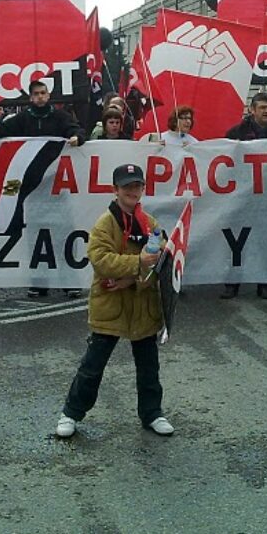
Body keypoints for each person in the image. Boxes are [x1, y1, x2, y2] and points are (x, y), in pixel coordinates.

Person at [55, 163, 173, 439]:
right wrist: (139, 262)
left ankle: (152, 413)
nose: (133, 191)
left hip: (143, 307)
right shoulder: (104, 223)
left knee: (148, 368)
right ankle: (70, 413)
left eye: (137, 186)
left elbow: (163, 259)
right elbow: (101, 261)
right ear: (115, 190)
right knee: (92, 367)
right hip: (110, 306)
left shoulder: (150, 222)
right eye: (127, 186)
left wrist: (134, 276)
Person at [0, 80, 85, 297]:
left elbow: (76, 129)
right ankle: (39, 282)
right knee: (36, 237)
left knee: (63, 235)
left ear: (48, 95)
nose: (39, 97)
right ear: (30, 97)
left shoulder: (60, 116)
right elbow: (1, 130)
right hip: (33, 191)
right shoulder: (23, 118)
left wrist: (77, 137)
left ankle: (69, 282)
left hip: (55, 188)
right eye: (35, 94)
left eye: (43, 93)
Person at [222, 92, 267, 300]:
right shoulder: (236, 133)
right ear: (252, 110)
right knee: (237, 241)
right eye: (262, 107)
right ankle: (233, 283)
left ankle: (265, 284)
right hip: (243, 198)